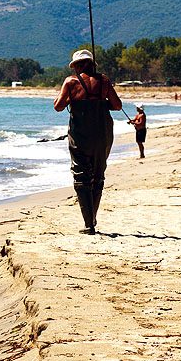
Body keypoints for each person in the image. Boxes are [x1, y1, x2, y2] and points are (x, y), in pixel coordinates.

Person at [53, 49, 123, 234]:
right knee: (98, 175)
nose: (74, 69)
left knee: (81, 175)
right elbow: (117, 105)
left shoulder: (71, 82)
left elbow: (58, 107)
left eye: (76, 65)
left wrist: (74, 99)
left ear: (80, 64)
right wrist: (99, 103)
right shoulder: (104, 81)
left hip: (80, 134)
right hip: (102, 133)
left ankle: (88, 224)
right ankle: (92, 218)